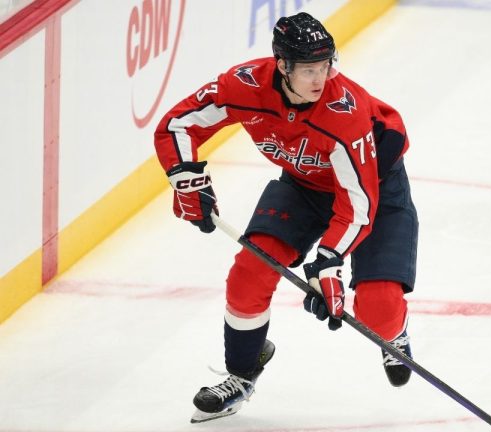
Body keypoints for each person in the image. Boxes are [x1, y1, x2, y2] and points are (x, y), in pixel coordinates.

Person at [153, 12, 419, 423]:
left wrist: (328, 261)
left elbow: (357, 203)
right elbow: (178, 124)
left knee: (376, 310)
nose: (321, 78)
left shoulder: (343, 113)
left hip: (374, 192)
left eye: (327, 65)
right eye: (310, 69)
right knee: (249, 273)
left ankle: (393, 332)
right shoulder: (243, 85)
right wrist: (187, 179)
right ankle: (241, 373)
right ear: (282, 66)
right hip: (303, 187)